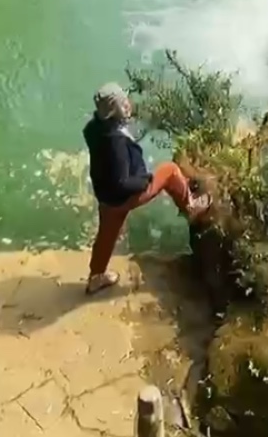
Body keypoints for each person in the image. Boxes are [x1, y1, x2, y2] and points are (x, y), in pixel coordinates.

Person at [83, 82, 210, 294]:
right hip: (125, 194)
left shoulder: (94, 128)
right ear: (114, 111)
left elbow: (110, 168)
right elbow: (123, 182)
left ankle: (96, 277)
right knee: (169, 171)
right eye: (123, 105)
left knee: (106, 236)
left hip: (106, 196)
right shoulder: (116, 142)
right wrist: (145, 181)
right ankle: (191, 206)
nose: (128, 105)